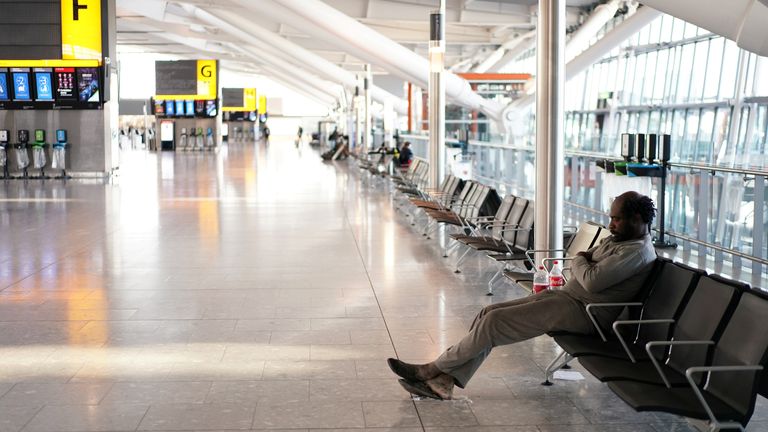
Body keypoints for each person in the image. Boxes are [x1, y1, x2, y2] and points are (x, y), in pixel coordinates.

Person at [387, 191, 657, 400]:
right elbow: (584, 264)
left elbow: (589, 279)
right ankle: (444, 383)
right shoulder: (619, 240)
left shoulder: (636, 252)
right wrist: (582, 261)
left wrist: (581, 260)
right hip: (567, 298)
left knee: (494, 324)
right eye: (611, 217)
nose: (610, 224)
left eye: (616, 218)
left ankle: (431, 370)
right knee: (488, 314)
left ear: (637, 219)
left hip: (586, 313)